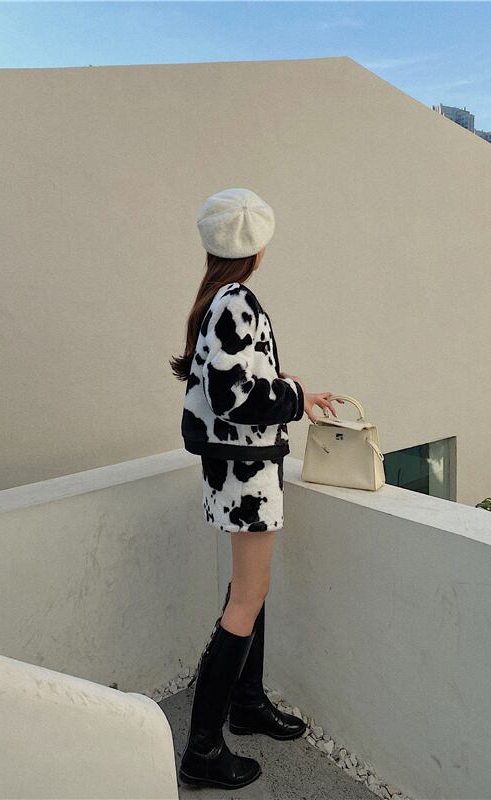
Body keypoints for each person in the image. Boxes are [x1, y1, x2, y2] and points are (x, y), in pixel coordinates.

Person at [169, 187, 341, 789]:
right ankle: (202, 749)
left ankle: (246, 704)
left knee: (250, 590)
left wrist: (294, 390)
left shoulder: (215, 299)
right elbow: (234, 398)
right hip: (247, 473)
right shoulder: (236, 302)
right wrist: (294, 397)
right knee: (246, 598)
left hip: (233, 469)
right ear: (258, 246)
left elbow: (232, 378)